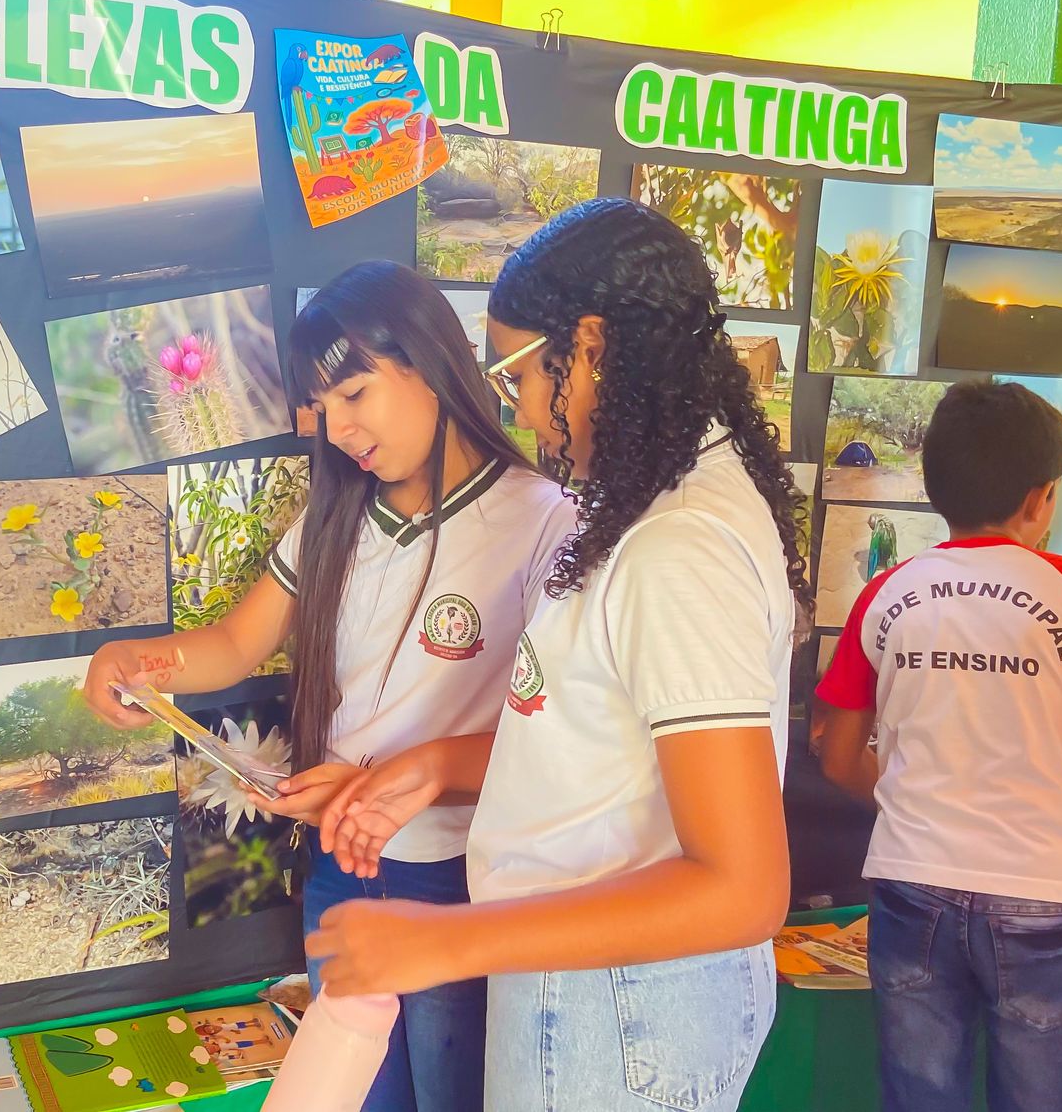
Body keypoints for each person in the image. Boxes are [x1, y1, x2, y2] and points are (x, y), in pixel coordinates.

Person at [303, 198, 811, 1112]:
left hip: (623, 1007)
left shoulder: (679, 545)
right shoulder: (653, 507)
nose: (522, 409)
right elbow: (597, 746)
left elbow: (743, 888)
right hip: (592, 982)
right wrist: (431, 769)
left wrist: (447, 941)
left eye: (521, 375)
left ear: (592, 346)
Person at [81, 261, 575, 1112]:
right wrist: (140, 660)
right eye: (322, 406)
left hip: (462, 881)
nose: (337, 427)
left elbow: (562, 744)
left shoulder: (541, 519)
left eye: (354, 394)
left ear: (426, 362)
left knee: (457, 1092)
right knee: (355, 1095)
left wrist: (395, 781)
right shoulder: (334, 515)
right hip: (343, 872)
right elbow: (237, 643)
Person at [814, 380, 1062, 1112]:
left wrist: (924, 788)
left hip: (912, 885)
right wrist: (1060, 754)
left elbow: (837, 754)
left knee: (920, 1099)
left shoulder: (886, 591)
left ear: (936, 486)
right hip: (1044, 894)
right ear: (1042, 498)